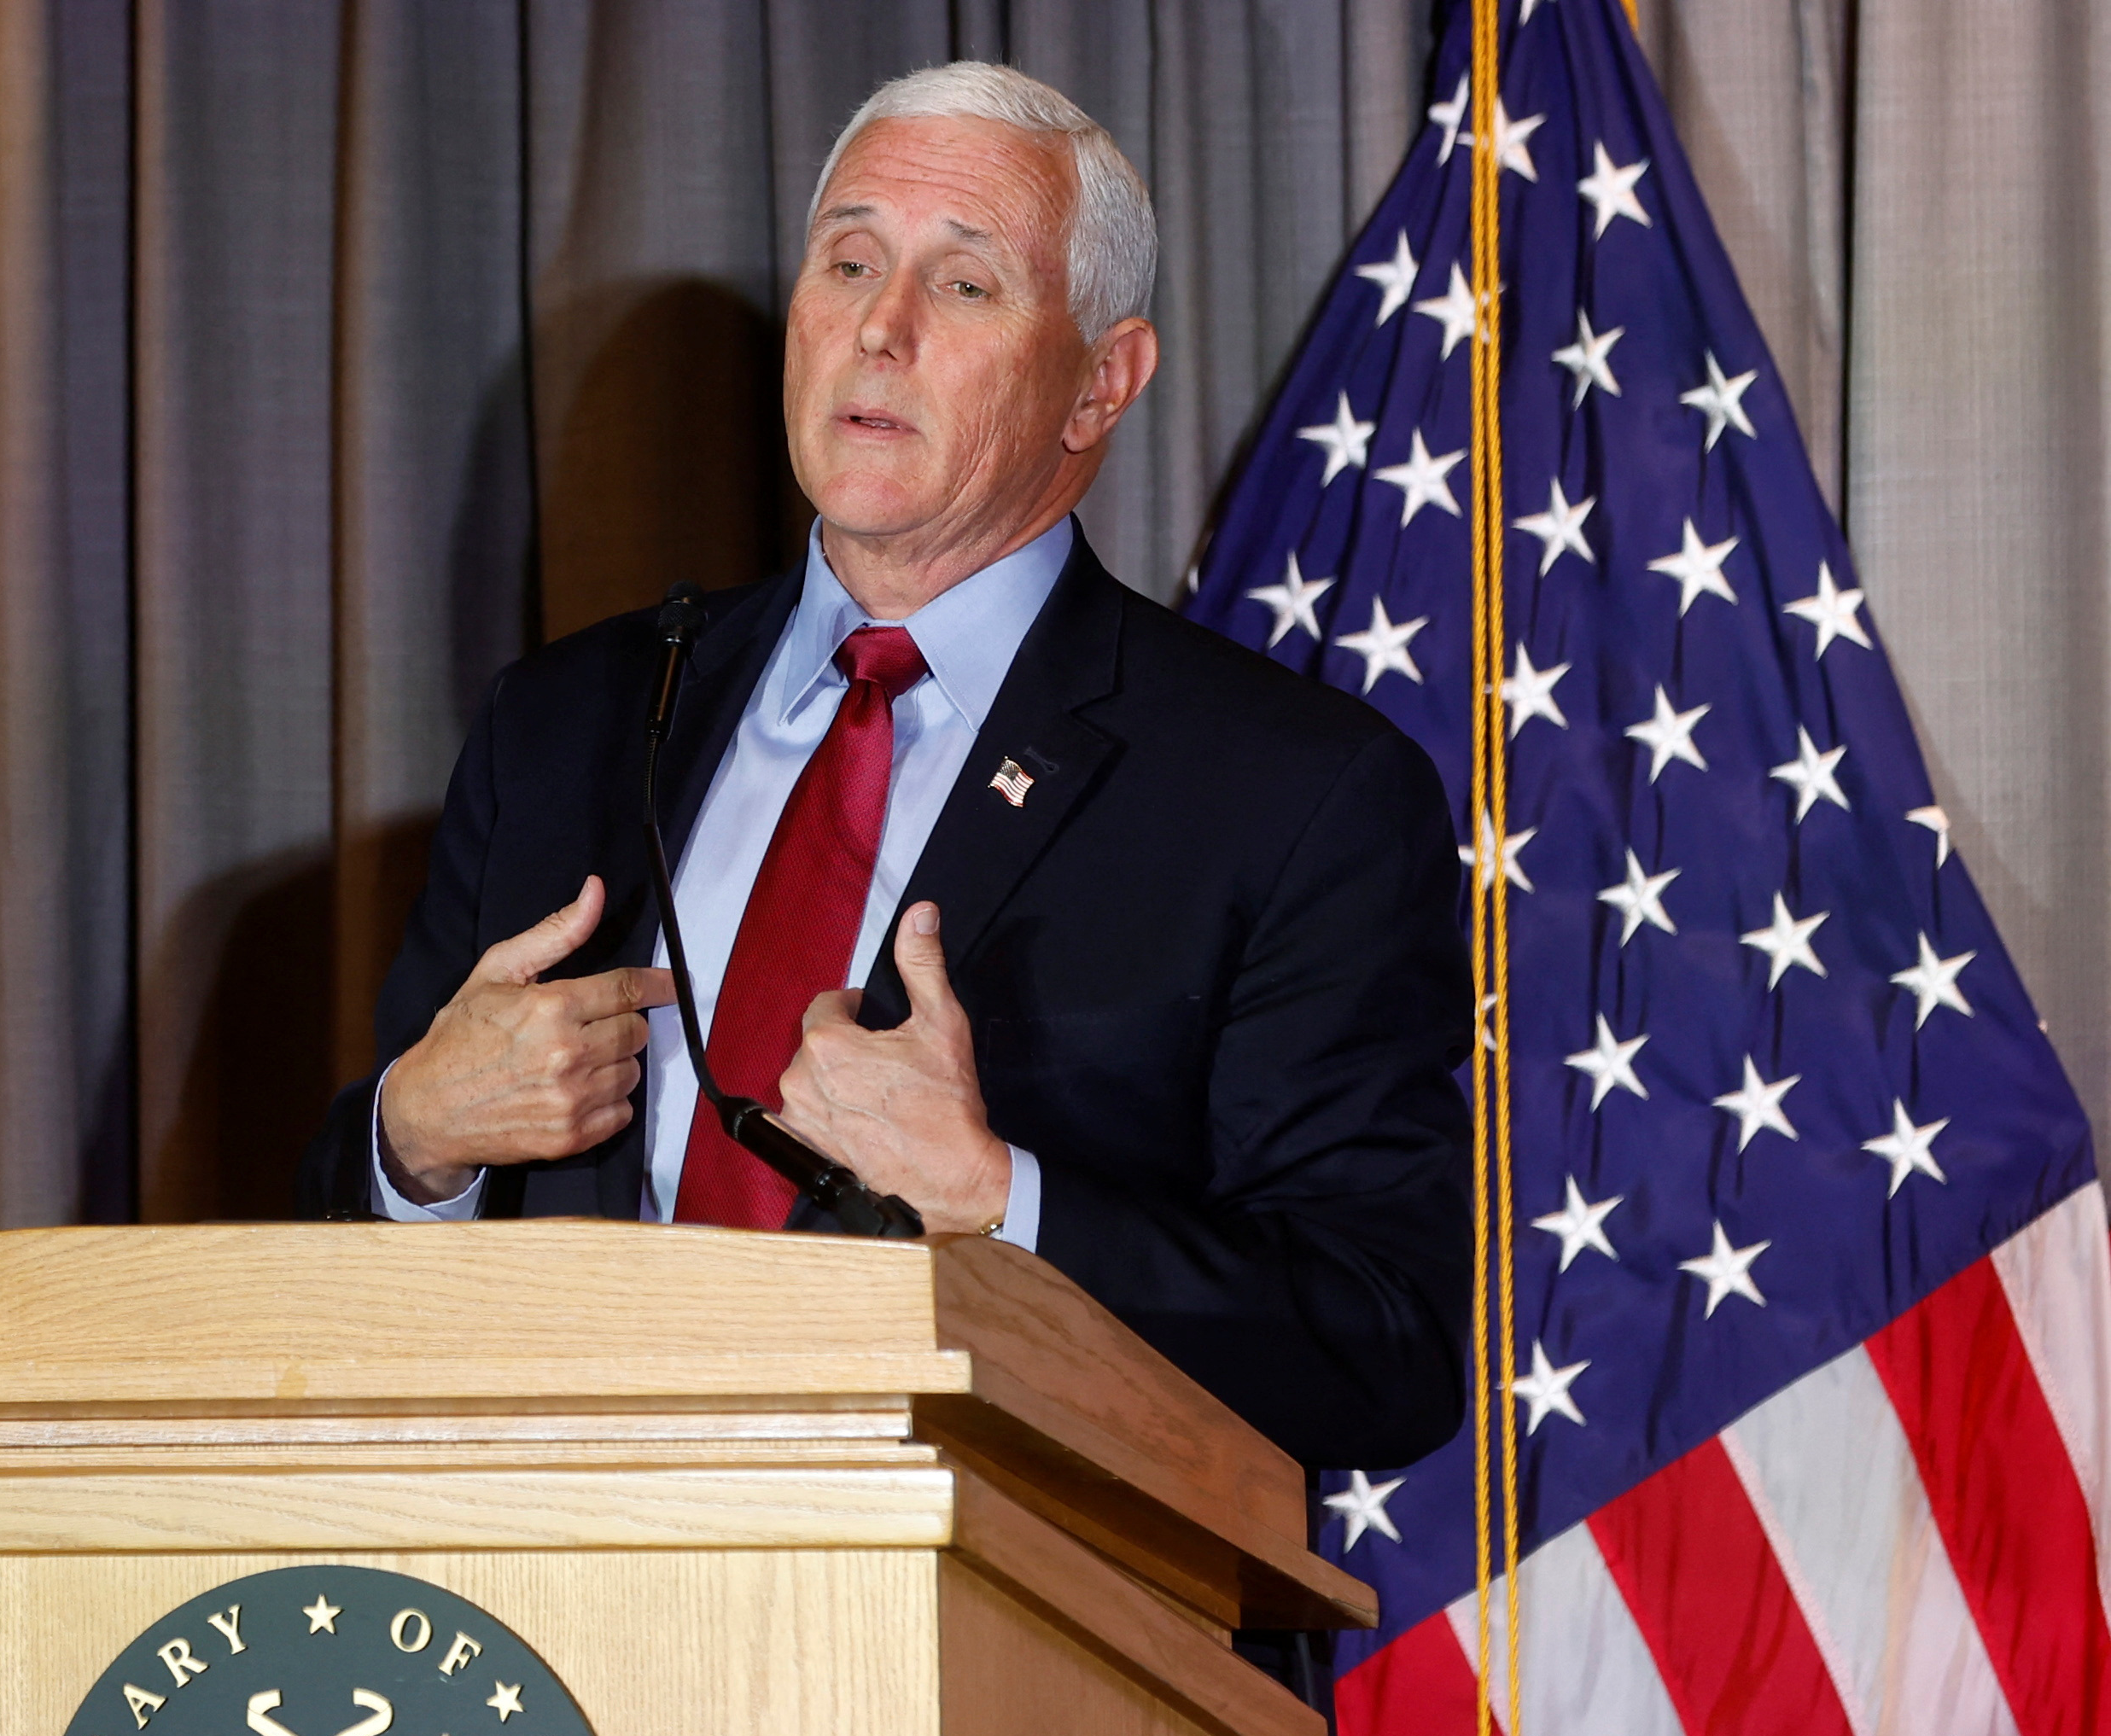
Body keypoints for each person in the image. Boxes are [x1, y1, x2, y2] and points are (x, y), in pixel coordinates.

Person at [294, 62, 1471, 1473]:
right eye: (848, 262)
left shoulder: (1295, 795)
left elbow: (1382, 1350)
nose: (881, 328)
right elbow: (340, 1284)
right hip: (558, 1607)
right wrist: (415, 1145)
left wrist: (999, 1198)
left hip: (992, 1636)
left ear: (1103, 381)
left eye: (965, 286)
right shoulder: (569, 720)